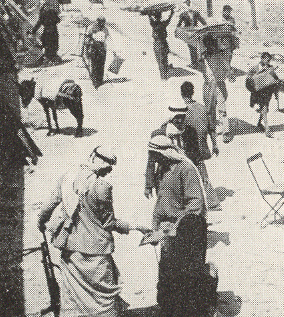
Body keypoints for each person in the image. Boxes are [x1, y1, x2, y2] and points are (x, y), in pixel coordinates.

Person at [38, 147, 150, 317]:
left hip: (71, 251)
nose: (107, 173)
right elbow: (109, 223)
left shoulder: (67, 178)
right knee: (102, 303)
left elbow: (48, 207)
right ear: (103, 166)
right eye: (107, 169)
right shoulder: (101, 187)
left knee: (73, 299)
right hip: (97, 252)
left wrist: (41, 221)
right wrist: (136, 226)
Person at [148, 134, 214, 317]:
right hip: (167, 233)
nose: (152, 159)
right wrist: (154, 229)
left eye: (154, 155)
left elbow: (195, 205)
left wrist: (172, 229)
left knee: (188, 277)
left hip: (187, 232)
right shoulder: (162, 169)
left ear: (163, 153)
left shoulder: (186, 169)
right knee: (167, 275)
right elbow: (161, 201)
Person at [179, 81, 221, 209]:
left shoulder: (182, 111)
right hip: (202, 147)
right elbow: (211, 128)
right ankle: (212, 202)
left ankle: (187, 202)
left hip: (189, 148)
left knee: (183, 174)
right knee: (202, 175)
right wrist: (215, 145)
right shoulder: (202, 108)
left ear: (182, 94)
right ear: (193, 93)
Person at [200, 34, 233, 143]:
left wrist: (230, 74)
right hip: (208, 84)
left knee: (221, 109)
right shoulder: (204, 56)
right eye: (206, 44)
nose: (209, 46)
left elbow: (227, 66)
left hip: (218, 84)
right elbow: (203, 70)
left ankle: (226, 132)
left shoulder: (219, 55)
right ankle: (213, 129)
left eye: (210, 44)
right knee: (209, 109)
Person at [246, 52, 279, 138]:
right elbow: (249, 78)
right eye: (266, 59)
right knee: (264, 109)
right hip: (258, 93)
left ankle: (259, 123)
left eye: (269, 60)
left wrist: (276, 91)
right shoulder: (256, 67)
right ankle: (267, 130)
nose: (267, 61)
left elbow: (275, 79)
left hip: (267, 92)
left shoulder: (270, 68)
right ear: (262, 59)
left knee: (265, 109)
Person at [176, 0, 207, 67]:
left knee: (198, 46)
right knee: (191, 47)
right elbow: (178, 25)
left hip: (196, 32)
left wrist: (204, 27)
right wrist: (181, 31)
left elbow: (203, 22)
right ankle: (193, 63)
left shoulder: (196, 13)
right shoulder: (183, 15)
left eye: (189, 4)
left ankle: (199, 61)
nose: (189, 6)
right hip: (188, 33)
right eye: (187, 5)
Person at [149, 9, 174, 80]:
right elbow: (168, 20)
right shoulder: (163, 24)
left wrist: (149, 15)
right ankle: (164, 75)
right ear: (160, 17)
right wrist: (171, 13)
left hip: (157, 44)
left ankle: (163, 76)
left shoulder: (154, 24)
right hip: (163, 43)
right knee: (164, 59)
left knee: (159, 60)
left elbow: (150, 20)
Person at [86, 16, 110, 87]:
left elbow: (107, 39)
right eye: (100, 22)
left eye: (103, 22)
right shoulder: (92, 28)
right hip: (94, 46)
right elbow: (88, 38)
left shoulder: (105, 29)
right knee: (94, 63)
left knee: (101, 63)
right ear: (97, 21)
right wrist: (87, 48)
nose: (101, 24)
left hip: (102, 47)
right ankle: (95, 80)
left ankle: (99, 79)